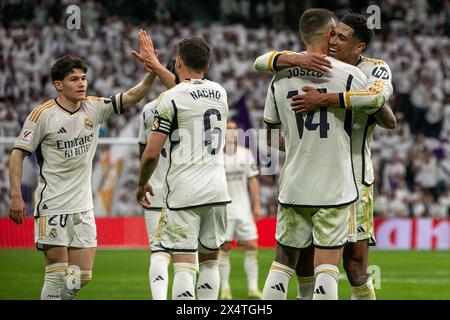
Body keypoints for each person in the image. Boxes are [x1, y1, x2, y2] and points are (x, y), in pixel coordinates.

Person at [255, 12, 396, 300]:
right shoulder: (328, 71)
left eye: (341, 37)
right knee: (308, 260)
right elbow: (261, 61)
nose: (333, 40)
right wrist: (296, 59)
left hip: (356, 178)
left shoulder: (371, 70)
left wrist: (325, 98)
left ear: (359, 48)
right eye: (333, 34)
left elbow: (384, 108)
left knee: (354, 265)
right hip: (328, 180)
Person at [8, 32, 157, 300]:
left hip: (83, 207)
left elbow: (134, 95)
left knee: (82, 277)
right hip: (53, 204)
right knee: (55, 274)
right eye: (74, 79)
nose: (82, 84)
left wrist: (153, 72)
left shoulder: (94, 108)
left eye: (84, 78)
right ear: (58, 85)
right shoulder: (42, 115)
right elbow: (17, 153)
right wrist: (16, 195)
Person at [136, 36, 230, 300]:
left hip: (184, 192)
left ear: (178, 62)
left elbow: (151, 153)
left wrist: (142, 183)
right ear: (208, 66)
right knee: (211, 261)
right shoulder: (221, 92)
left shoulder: (169, 99)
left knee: (185, 266)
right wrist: (156, 65)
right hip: (217, 190)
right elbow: (187, 92)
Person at [138, 59, 179, 300]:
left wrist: (141, 183)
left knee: (159, 250)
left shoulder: (148, 109)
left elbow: (145, 154)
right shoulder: (199, 104)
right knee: (189, 254)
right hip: (189, 191)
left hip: (156, 189)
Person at [219, 119, 263, 300]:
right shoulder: (216, 156)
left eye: (234, 129)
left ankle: (253, 288)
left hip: (244, 208)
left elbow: (253, 180)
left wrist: (257, 204)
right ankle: (225, 289)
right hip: (224, 210)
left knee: (252, 245)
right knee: (225, 247)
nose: (231, 132)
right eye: (228, 129)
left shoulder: (246, 154)